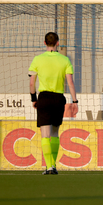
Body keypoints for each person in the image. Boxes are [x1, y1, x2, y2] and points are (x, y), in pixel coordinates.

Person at [28, 32, 78, 175]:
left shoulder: (37, 59)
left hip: (43, 97)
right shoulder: (65, 60)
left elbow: (32, 83)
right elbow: (70, 82)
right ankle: (54, 166)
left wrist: (34, 99)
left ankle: (49, 166)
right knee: (55, 133)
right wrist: (75, 101)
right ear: (57, 43)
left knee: (45, 134)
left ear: (44, 43)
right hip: (58, 99)